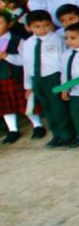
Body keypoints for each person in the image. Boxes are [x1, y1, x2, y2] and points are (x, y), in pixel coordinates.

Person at [22, 10, 69, 146]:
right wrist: (28, 85)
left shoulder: (57, 40)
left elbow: (63, 61)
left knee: (59, 108)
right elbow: (27, 64)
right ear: (29, 27)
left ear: (51, 25)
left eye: (46, 25)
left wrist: (65, 83)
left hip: (54, 77)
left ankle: (66, 135)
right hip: (37, 79)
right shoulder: (28, 43)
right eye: (37, 26)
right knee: (47, 109)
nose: (42, 29)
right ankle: (56, 135)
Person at [0, 10, 29, 144]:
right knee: (7, 106)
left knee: (27, 103)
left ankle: (37, 125)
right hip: (1, 79)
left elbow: (24, 60)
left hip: (16, 77)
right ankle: (13, 130)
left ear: (10, 23)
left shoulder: (18, 40)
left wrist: (7, 56)